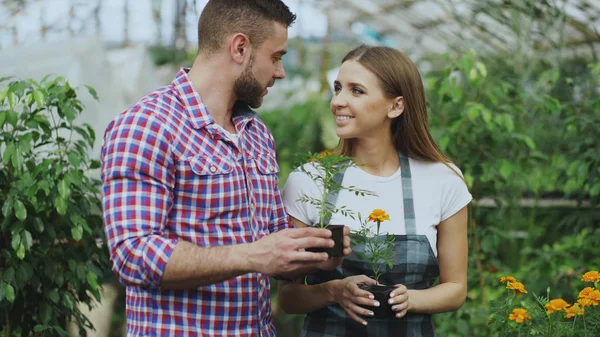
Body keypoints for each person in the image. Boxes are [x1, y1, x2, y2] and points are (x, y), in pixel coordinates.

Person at [100, 1, 350, 336]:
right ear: (240, 47)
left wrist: (312, 253)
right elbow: (133, 254)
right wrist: (251, 256)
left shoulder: (256, 133)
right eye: (276, 56)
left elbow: (271, 246)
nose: (281, 72)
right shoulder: (148, 125)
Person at [278, 45, 473, 336]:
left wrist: (411, 298)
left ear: (396, 106)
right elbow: (288, 297)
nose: (338, 101)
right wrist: (335, 291)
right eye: (338, 88)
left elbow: (455, 288)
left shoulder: (443, 180)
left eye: (356, 91)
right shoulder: (310, 181)